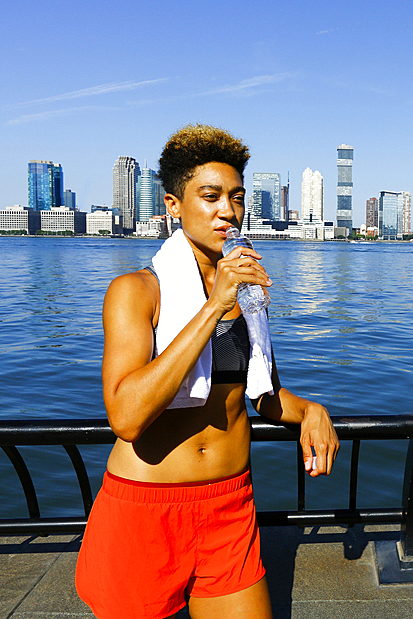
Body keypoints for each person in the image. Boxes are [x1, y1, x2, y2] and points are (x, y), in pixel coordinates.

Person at [75, 124, 339, 619]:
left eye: (236, 198)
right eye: (210, 196)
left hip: (229, 505)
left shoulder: (249, 291)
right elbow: (127, 416)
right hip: (147, 506)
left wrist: (311, 412)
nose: (227, 211)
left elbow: (261, 396)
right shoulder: (136, 292)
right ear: (174, 205)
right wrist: (213, 307)